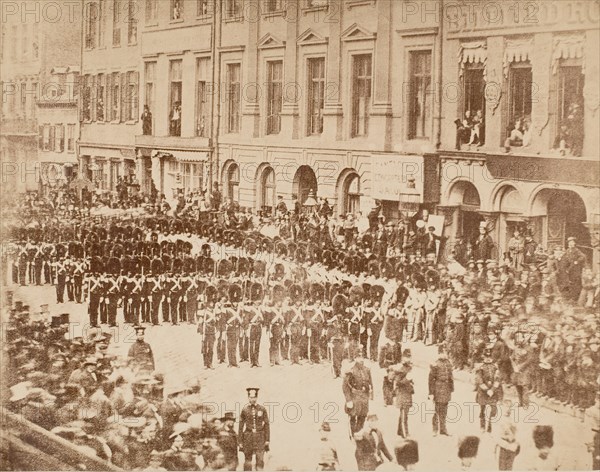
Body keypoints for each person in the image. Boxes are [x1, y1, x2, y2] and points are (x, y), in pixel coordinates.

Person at [343, 347, 373, 435]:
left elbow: (370, 383)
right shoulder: (350, 370)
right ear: (355, 358)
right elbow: (345, 386)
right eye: (358, 357)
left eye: (362, 357)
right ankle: (352, 435)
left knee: (363, 416)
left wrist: (370, 395)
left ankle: (358, 434)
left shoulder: (367, 369)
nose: (361, 359)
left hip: (364, 397)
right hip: (354, 396)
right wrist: (348, 400)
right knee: (353, 417)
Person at [239, 387, 270, 471]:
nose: (252, 399)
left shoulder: (262, 409)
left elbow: (266, 424)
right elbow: (241, 426)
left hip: (260, 437)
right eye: (251, 397)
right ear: (248, 398)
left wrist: (267, 439)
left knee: (260, 460)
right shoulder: (244, 410)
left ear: (256, 398)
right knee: (248, 460)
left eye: (254, 397)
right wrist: (240, 441)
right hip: (248, 437)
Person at [474, 347, 502, 433]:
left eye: (490, 357)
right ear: (483, 357)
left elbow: (498, 379)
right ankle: (482, 426)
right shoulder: (480, 368)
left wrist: (492, 390)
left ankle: (490, 426)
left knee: (493, 410)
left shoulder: (495, 367)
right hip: (483, 392)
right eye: (486, 357)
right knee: (482, 409)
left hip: (493, 392)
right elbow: (479, 380)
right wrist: (487, 390)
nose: (488, 359)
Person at [428, 345, 454, 436]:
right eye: (442, 352)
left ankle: (443, 429)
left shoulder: (448, 363)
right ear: (439, 353)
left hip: (446, 388)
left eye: (445, 352)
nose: (444, 354)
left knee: (445, 410)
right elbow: (431, 379)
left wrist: (451, 388)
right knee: (436, 410)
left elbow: (451, 377)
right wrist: (431, 393)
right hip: (438, 388)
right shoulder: (435, 364)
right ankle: (434, 429)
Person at [560, 236, 587, 302]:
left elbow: (583, 256)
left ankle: (575, 298)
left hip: (575, 270)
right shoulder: (568, 250)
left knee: (575, 283)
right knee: (570, 283)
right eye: (569, 242)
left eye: (572, 242)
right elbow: (565, 258)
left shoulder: (576, 250)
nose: (570, 244)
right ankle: (570, 297)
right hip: (569, 269)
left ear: (574, 243)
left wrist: (577, 261)